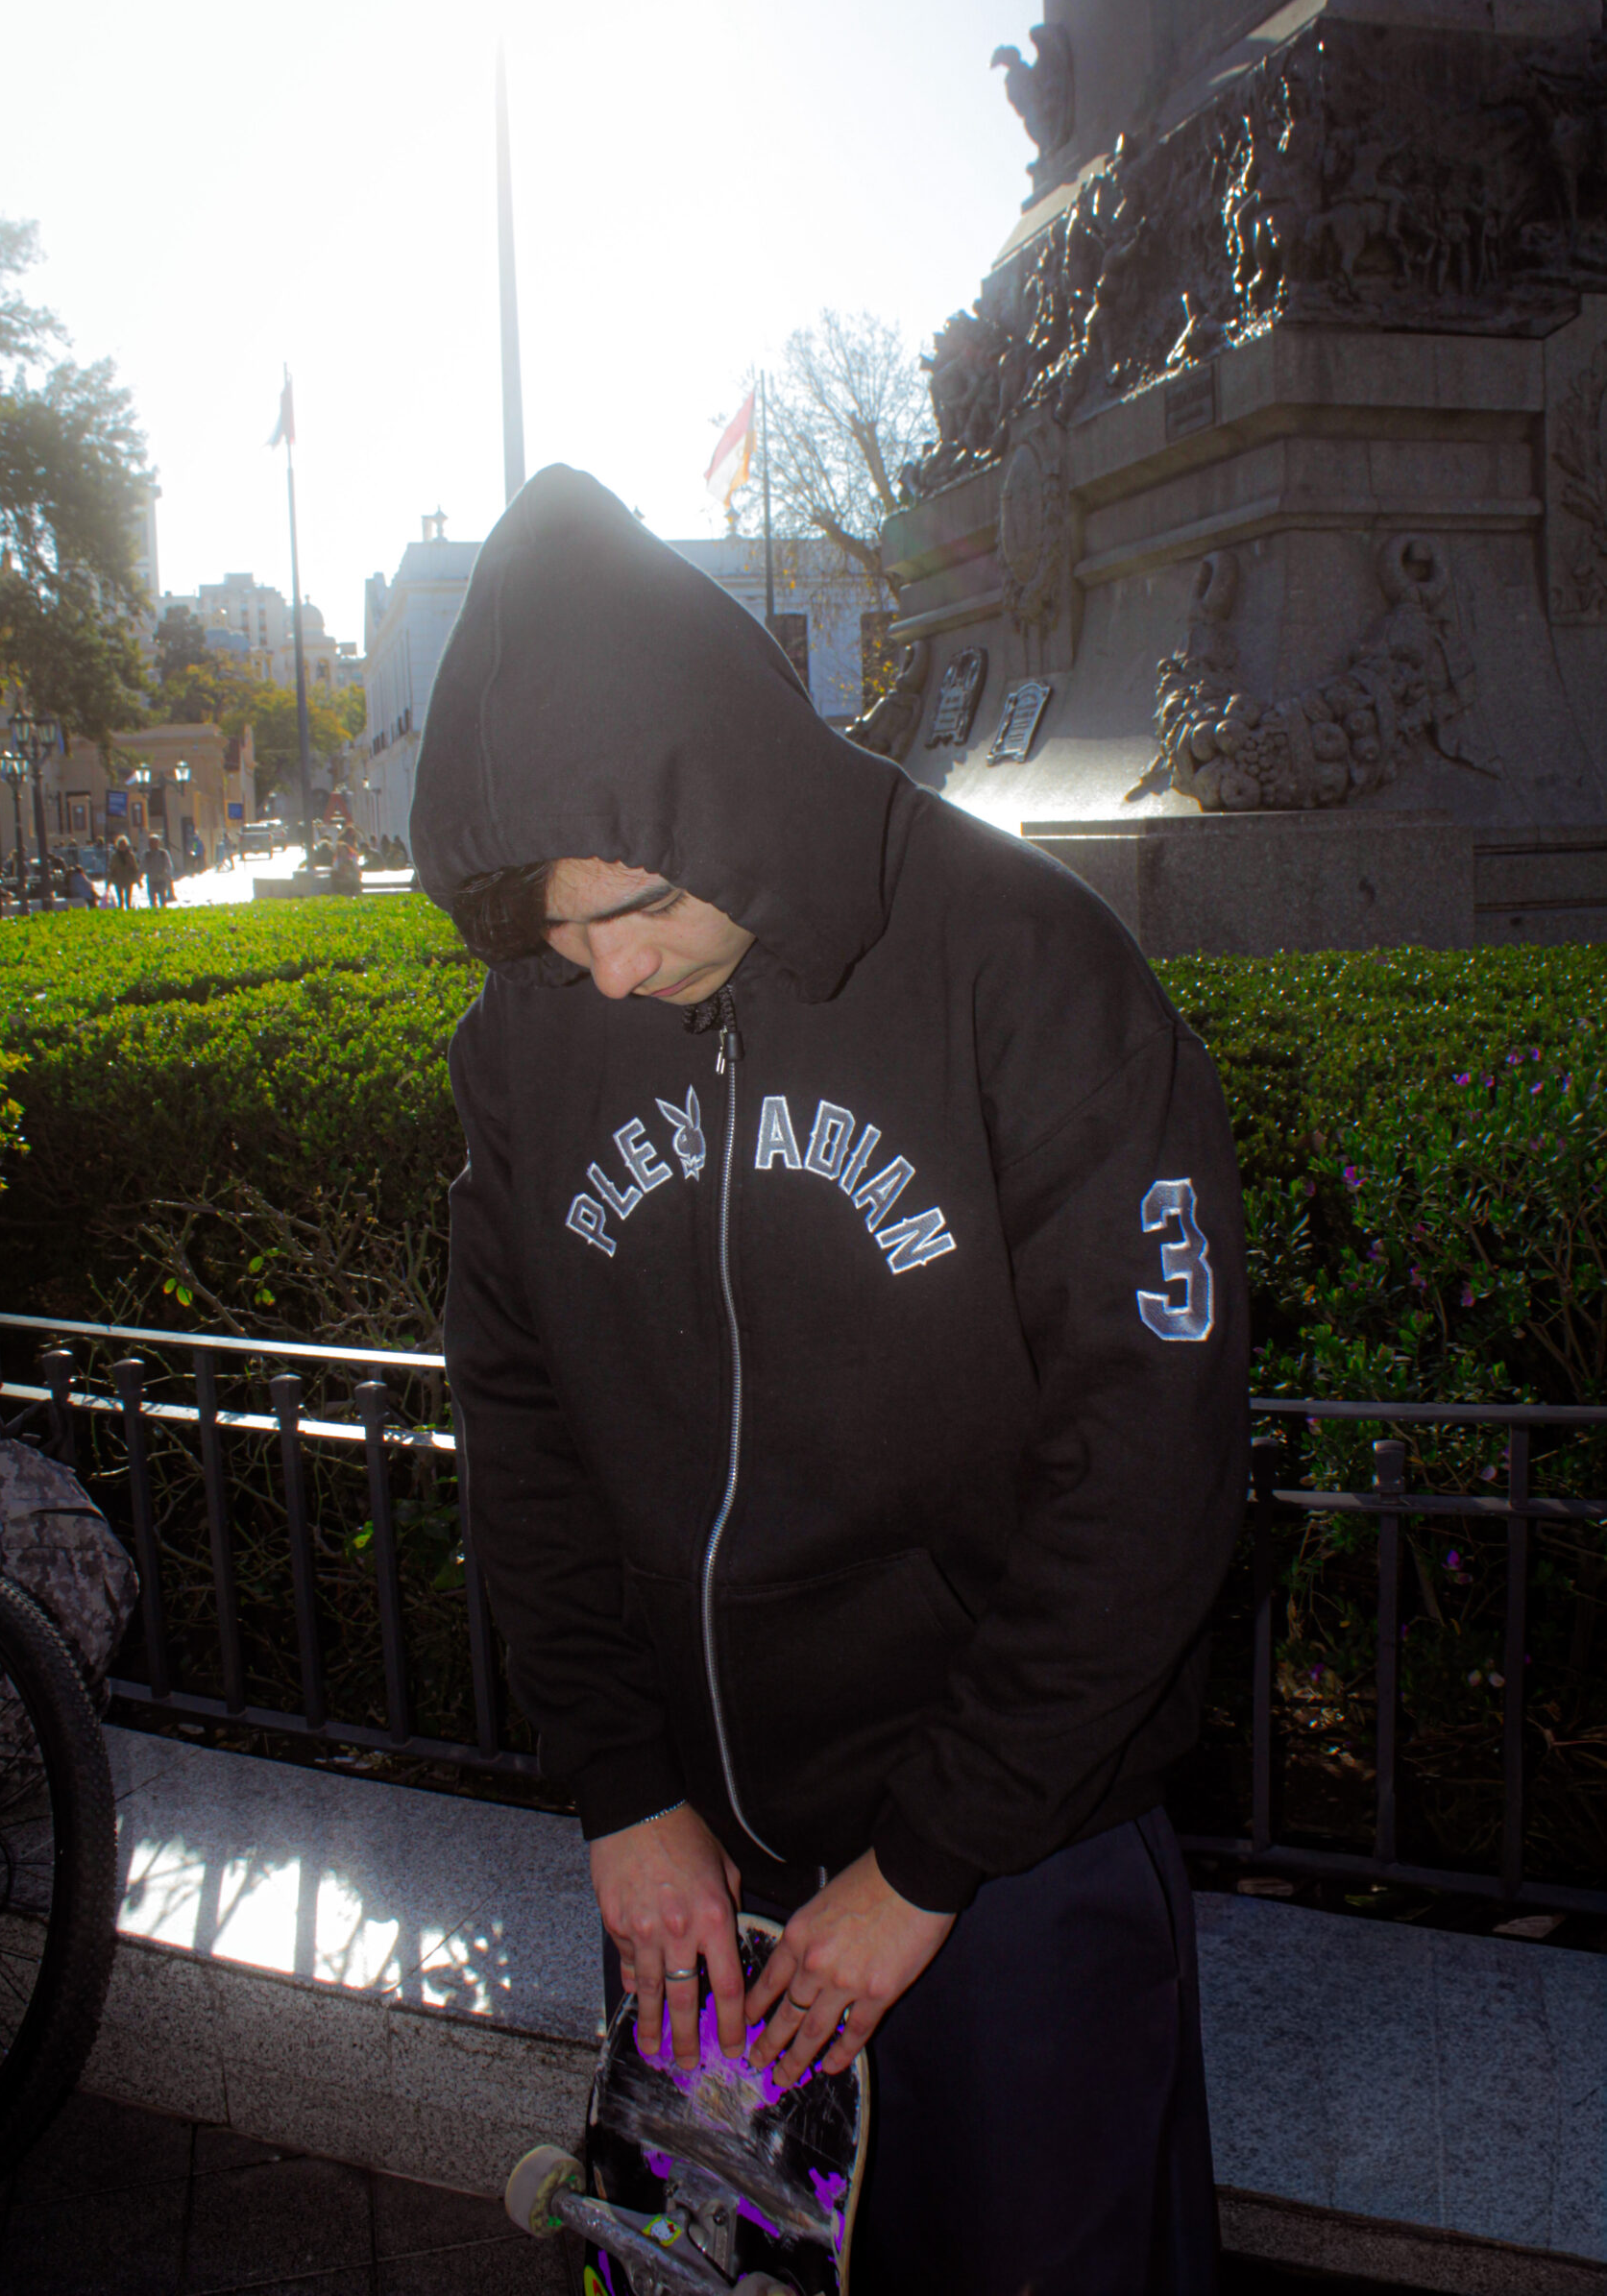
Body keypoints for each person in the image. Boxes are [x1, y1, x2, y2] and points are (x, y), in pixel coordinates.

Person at [410, 468, 1249, 2295]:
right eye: (551, 929)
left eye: (632, 906)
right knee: (714, 2281)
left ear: (730, 792)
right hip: (696, 1874)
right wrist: (619, 1790)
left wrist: (932, 1860)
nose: (604, 972)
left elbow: (1150, 1460)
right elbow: (517, 1423)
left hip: (1013, 1860)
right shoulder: (529, 1037)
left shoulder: (1025, 968)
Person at [107, 837, 139, 909]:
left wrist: (137, 879)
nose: (122, 846)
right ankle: (121, 910)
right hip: (118, 879)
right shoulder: (115, 856)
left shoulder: (130, 855)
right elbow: (111, 868)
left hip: (128, 879)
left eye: (124, 844)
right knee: (120, 898)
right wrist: (109, 881)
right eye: (121, 844)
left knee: (128, 898)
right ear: (118, 845)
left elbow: (135, 867)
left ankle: (129, 909)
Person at [143, 834, 174, 909]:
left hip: (161, 879)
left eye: (154, 842)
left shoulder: (163, 853)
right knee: (152, 900)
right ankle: (154, 913)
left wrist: (168, 875)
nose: (152, 844)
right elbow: (142, 866)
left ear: (158, 843)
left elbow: (169, 865)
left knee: (162, 899)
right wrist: (139, 878)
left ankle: (163, 912)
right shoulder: (146, 854)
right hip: (151, 880)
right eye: (151, 842)